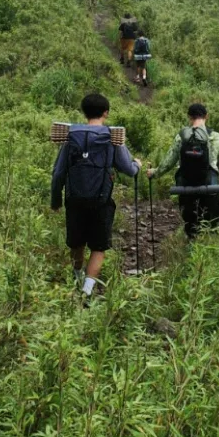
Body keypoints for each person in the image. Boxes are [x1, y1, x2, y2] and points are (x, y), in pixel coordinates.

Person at [51, 92, 141, 304]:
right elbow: (128, 169)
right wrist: (137, 165)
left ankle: (76, 278)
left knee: (76, 242)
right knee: (98, 247)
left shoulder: (70, 135)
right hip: (101, 201)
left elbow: (58, 173)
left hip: (74, 200)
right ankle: (87, 292)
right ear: (106, 113)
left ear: (83, 112)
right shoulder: (112, 137)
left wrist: (56, 200)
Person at [149, 102, 219, 240]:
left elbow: (169, 162)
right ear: (206, 116)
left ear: (189, 117)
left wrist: (154, 173)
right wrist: (218, 168)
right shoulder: (217, 137)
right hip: (209, 181)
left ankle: (191, 239)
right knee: (211, 216)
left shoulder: (182, 137)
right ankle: (211, 239)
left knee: (190, 218)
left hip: (186, 181)